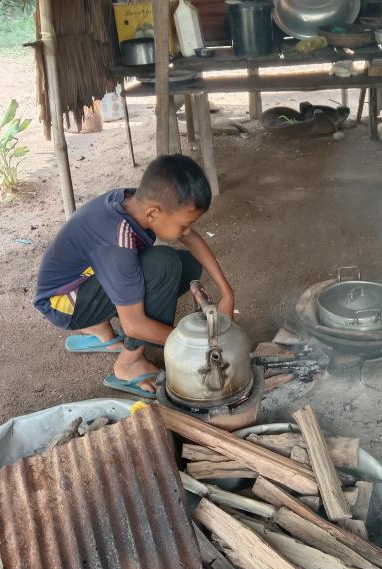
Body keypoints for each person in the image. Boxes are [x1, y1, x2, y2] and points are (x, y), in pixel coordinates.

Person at [34, 155, 234, 398]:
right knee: (163, 265)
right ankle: (128, 364)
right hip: (64, 303)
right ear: (153, 214)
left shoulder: (135, 202)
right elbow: (134, 325)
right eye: (184, 224)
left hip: (81, 281)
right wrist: (199, 343)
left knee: (188, 265)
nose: (188, 231)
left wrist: (227, 292)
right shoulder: (118, 241)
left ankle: (99, 328)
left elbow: (190, 239)